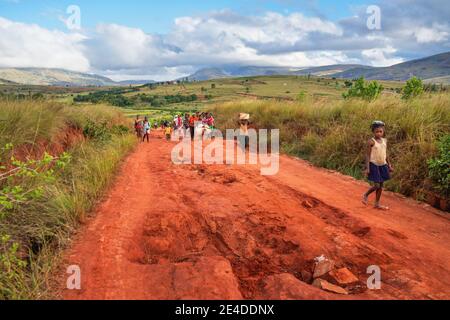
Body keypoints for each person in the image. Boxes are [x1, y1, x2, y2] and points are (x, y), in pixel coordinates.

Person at [363, 121, 394, 210]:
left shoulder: (385, 141)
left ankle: (377, 204)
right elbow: (367, 155)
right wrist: (367, 168)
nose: (379, 133)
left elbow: (385, 154)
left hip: (383, 165)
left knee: (381, 185)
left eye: (381, 131)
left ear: (383, 131)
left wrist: (389, 165)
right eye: (377, 131)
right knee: (377, 185)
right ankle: (366, 194)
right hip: (374, 165)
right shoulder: (371, 142)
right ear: (373, 132)